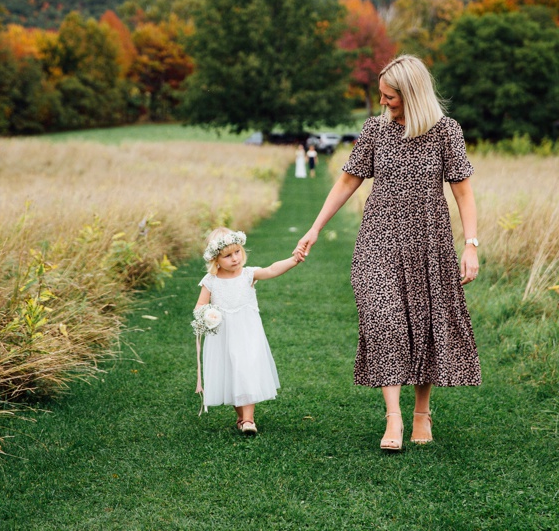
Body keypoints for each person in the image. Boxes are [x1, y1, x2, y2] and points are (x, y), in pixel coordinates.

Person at [294, 54, 481, 452]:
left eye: (389, 97)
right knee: (384, 320)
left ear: (412, 94)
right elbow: (348, 181)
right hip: (377, 239)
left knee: (425, 325)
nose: (382, 103)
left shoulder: (446, 132)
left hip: (429, 242)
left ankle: (421, 413)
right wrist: (314, 228)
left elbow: (463, 192)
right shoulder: (375, 130)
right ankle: (393, 416)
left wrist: (471, 244)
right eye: (381, 95)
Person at [195, 227, 301, 435]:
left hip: (248, 334)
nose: (235, 258)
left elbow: (271, 270)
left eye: (237, 252)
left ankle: (248, 420)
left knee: (246, 370)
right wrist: (208, 314)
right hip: (223, 336)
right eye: (227, 256)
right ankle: (241, 417)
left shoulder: (248, 275)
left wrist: (293, 260)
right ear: (215, 259)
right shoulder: (211, 281)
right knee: (232, 374)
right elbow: (200, 305)